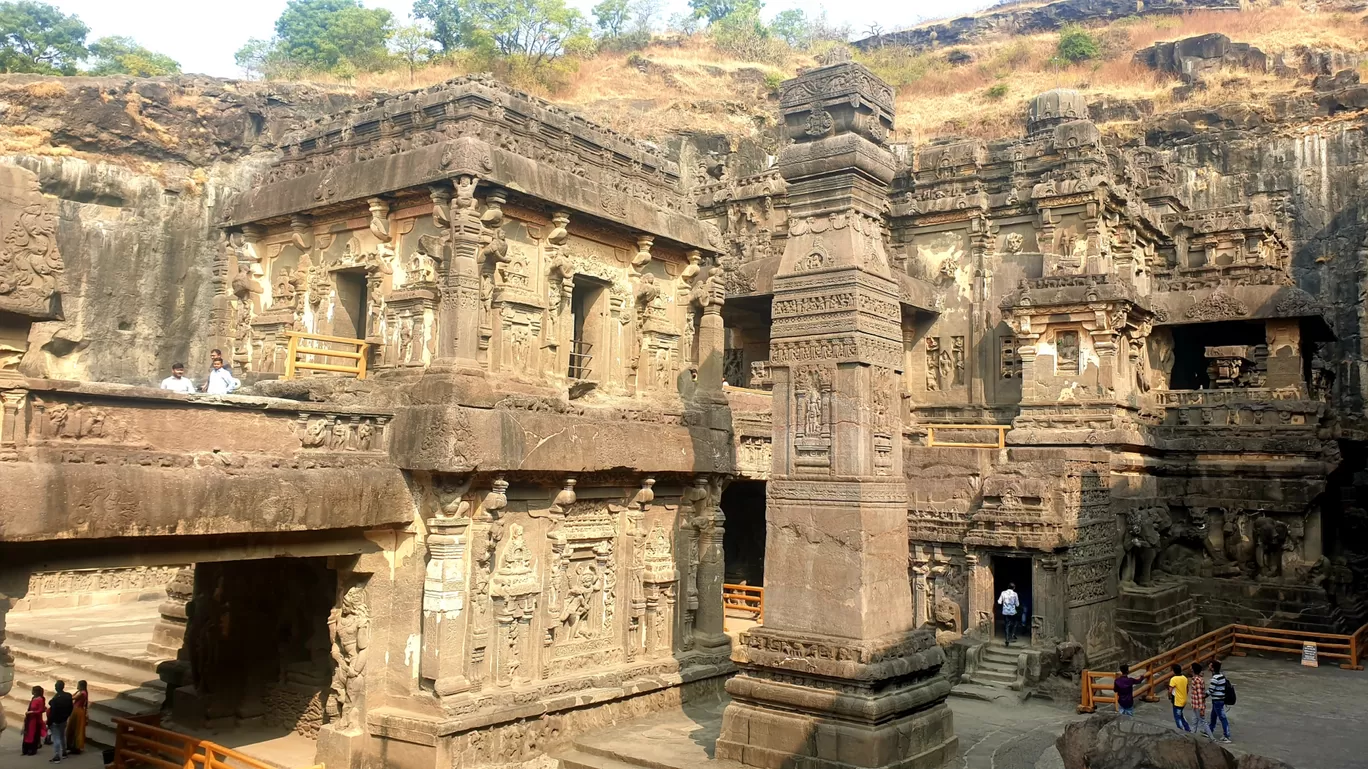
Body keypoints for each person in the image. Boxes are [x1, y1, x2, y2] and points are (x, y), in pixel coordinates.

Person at [47, 680, 72, 763]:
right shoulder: (68, 696)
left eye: (56, 686)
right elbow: (71, 708)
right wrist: (67, 716)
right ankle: (64, 753)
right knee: (62, 736)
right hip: (64, 719)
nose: (55, 687)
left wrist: (49, 722)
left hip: (56, 721)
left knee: (56, 738)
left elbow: (52, 712)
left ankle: (57, 756)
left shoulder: (55, 699)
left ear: (57, 687)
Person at [1207, 659, 1232, 743]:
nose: (1209, 666)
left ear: (1213, 668)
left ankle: (1227, 735)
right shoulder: (1221, 676)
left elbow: (1211, 690)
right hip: (1219, 700)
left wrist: (1202, 696)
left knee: (1222, 717)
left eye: (1210, 665)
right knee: (1213, 716)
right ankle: (1209, 730)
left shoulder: (1215, 678)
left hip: (1217, 700)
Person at [64, 681, 88, 755]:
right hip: (78, 710)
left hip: (77, 711)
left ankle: (75, 746)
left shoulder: (82, 693)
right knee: (75, 728)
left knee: (75, 728)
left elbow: (72, 698)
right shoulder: (82, 692)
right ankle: (73, 746)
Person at [21, 686, 45, 756]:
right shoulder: (33, 698)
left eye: (33, 690)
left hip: (35, 720)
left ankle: (32, 750)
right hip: (30, 719)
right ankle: (25, 749)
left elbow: (41, 710)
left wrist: (32, 712)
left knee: (33, 734)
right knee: (27, 734)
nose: (32, 692)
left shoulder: (40, 699)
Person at [1167, 663, 1191, 732]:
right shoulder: (1184, 678)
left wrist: (1169, 696)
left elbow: (1170, 690)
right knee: (1181, 715)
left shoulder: (1173, 679)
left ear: (1173, 671)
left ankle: (1182, 730)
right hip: (1184, 700)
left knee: (1177, 717)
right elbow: (1187, 689)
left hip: (1177, 701)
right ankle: (1187, 728)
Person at [1189, 662, 1209, 737]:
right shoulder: (1196, 679)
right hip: (1195, 704)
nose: (1189, 669)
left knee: (1203, 721)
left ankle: (1212, 738)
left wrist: (1201, 708)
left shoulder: (1197, 680)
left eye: (1191, 667)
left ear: (1193, 670)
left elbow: (1200, 695)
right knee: (1194, 721)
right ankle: (1192, 735)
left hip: (1198, 705)